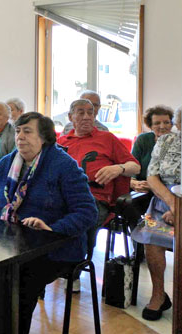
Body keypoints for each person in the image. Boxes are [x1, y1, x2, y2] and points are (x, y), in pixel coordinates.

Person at [0, 112, 97, 334]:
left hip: (54, 245)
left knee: (18, 284)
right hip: (8, 241)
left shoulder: (63, 166)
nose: (20, 137)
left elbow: (88, 212)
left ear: (44, 137)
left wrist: (52, 227)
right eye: (18, 131)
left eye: (28, 132)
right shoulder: (6, 163)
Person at [58, 98, 140, 291]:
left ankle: (73, 270)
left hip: (95, 197)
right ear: (71, 117)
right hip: (64, 196)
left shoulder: (107, 139)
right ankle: (48, 264)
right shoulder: (61, 142)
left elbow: (135, 166)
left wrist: (118, 168)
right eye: (81, 112)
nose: (87, 116)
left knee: (81, 218)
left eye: (90, 112)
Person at [132, 107, 181, 321]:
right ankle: (158, 295)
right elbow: (152, 177)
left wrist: (181, 207)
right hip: (164, 200)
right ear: (178, 123)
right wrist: (172, 204)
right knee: (151, 239)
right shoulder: (165, 142)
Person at [130, 105, 174, 192]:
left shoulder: (177, 142)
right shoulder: (143, 139)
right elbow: (132, 162)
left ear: (172, 124)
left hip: (166, 189)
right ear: (150, 126)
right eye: (157, 123)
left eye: (166, 122)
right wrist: (133, 181)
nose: (162, 126)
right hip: (141, 188)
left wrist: (154, 186)